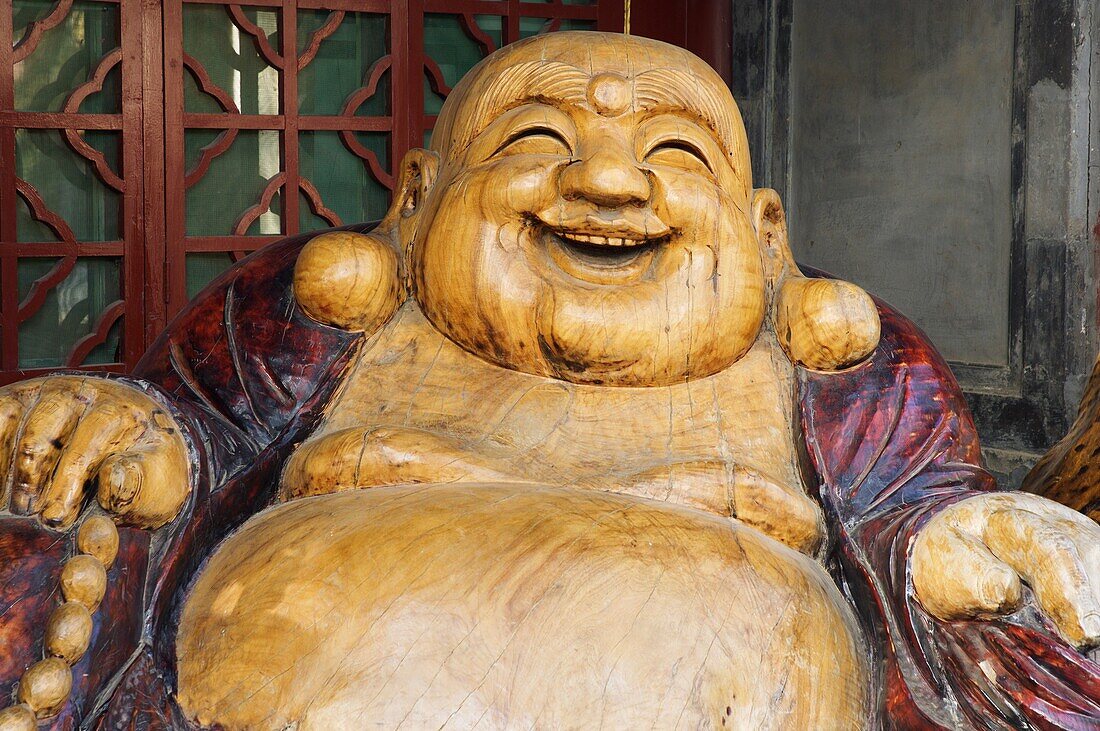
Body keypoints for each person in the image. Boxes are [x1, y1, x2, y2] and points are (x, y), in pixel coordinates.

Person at [0, 32, 1096, 729]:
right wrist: (120, 421)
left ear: (764, 233)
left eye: (674, 155)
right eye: (535, 135)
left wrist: (964, 541)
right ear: (421, 193)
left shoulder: (837, 367)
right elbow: (185, 439)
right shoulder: (314, 313)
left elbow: (914, 519)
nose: (608, 181)